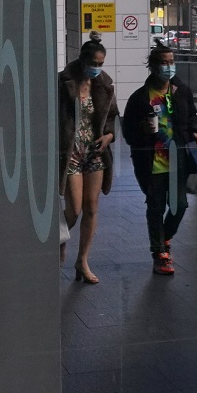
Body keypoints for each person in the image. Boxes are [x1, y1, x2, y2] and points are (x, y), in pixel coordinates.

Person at [122, 42, 197, 275]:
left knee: (180, 205)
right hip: (152, 163)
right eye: (164, 63)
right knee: (155, 208)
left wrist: (195, 130)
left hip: (178, 161)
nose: (169, 67)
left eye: (171, 62)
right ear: (153, 67)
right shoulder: (140, 98)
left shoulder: (182, 91)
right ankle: (159, 255)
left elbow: (192, 116)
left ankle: (164, 238)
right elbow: (128, 133)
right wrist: (142, 130)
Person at [58, 31, 119, 284]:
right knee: (73, 209)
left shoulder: (104, 84)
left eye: (100, 64)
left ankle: (82, 260)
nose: (96, 69)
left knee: (91, 207)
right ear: (82, 60)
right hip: (70, 150)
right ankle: (59, 240)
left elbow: (112, 118)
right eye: (93, 64)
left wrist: (109, 137)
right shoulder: (64, 82)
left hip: (94, 151)